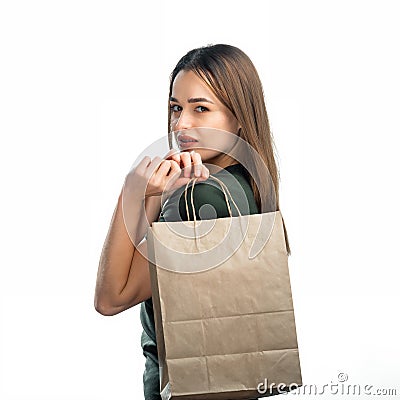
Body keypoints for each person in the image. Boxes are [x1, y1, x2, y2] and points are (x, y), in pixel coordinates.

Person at [94, 43, 291, 400]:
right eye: (176, 107)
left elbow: (111, 298)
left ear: (239, 117)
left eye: (201, 108)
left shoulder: (198, 198)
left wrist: (133, 189)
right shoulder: (250, 184)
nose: (181, 123)